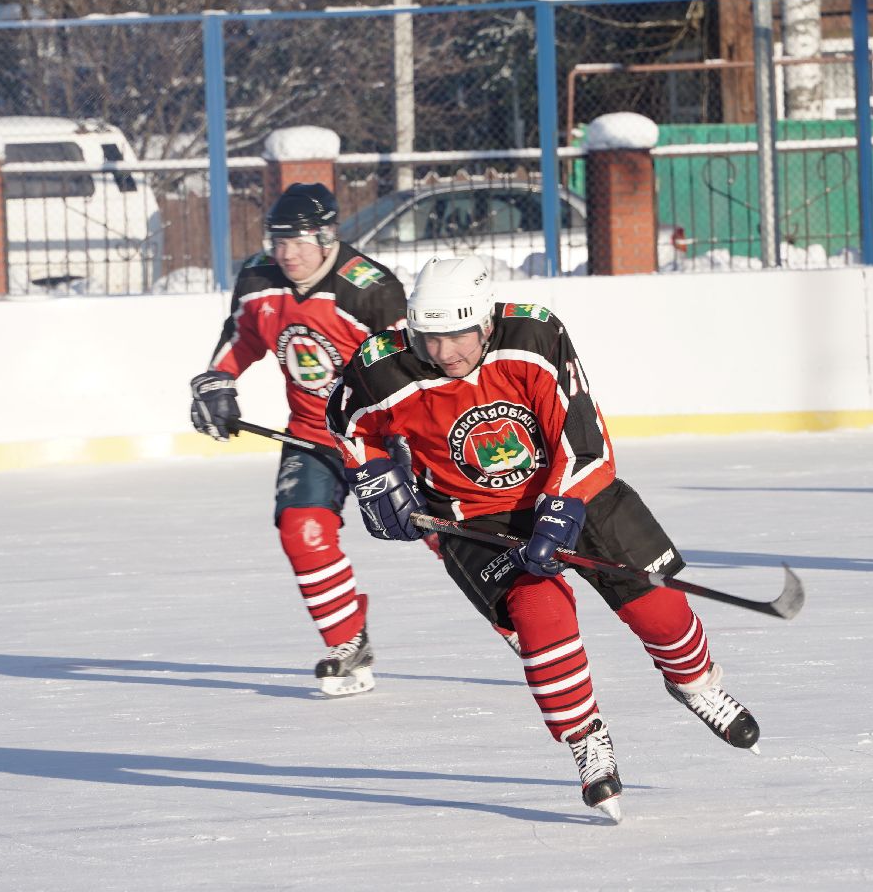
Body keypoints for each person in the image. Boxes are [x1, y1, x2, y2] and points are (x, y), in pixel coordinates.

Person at [325, 255, 760, 821]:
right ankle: (585, 739)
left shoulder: (535, 335)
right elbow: (346, 423)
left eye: (457, 336)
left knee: (661, 610)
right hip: (476, 519)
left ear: (485, 322)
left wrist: (559, 514)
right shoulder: (380, 366)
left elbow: (584, 438)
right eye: (429, 338)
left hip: (575, 488)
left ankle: (695, 684)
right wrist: (375, 481)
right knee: (540, 617)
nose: (443, 353)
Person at [189, 183, 409, 696]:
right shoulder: (259, 278)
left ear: (328, 236)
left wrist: (408, 439)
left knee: (448, 537)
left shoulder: (369, 288)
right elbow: (243, 336)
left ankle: (518, 626)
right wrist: (218, 380)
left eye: (298, 240)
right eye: (278, 240)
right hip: (312, 434)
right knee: (300, 529)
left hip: (381, 436)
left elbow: (409, 367)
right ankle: (347, 640)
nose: (286, 253)